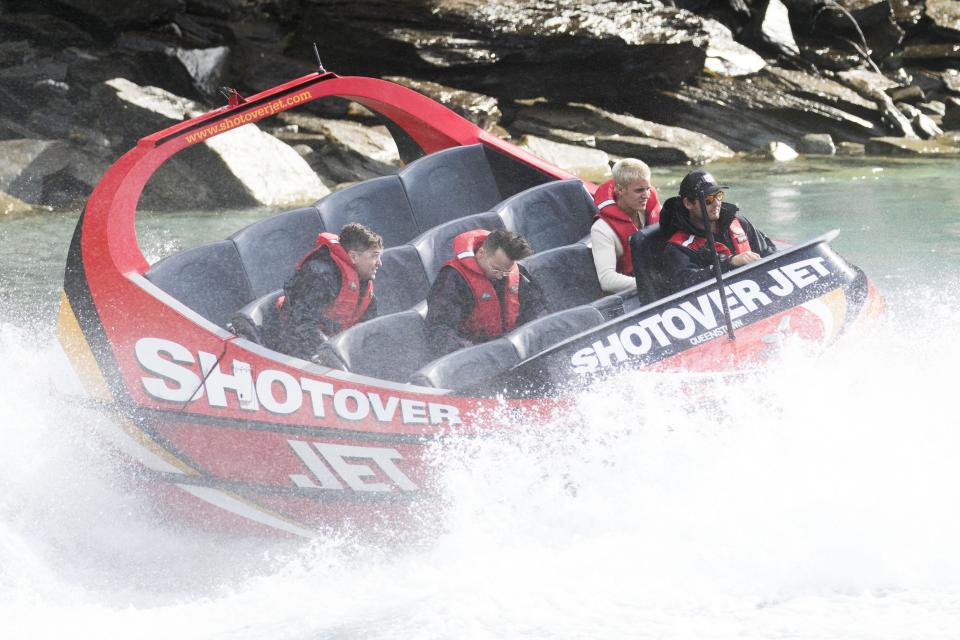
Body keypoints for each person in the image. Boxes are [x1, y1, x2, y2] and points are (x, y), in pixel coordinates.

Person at [425, 228, 547, 358]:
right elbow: (439, 329)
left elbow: (537, 309)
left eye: (506, 272)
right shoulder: (452, 278)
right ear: (481, 253)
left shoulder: (513, 272)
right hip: (475, 358)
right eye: (496, 269)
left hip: (516, 353)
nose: (501, 276)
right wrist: (474, 355)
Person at [276, 222, 383, 360]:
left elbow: (370, 332)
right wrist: (333, 356)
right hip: (289, 348)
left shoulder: (364, 287)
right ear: (354, 257)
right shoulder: (319, 276)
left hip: (329, 348)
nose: (380, 263)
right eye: (374, 256)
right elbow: (300, 325)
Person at [660, 170, 776, 291]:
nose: (716, 203)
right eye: (708, 200)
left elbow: (770, 253)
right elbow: (686, 284)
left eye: (718, 196)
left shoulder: (738, 223)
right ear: (688, 203)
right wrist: (729, 263)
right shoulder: (678, 248)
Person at [590, 158, 662, 294]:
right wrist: (651, 282)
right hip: (634, 296)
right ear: (620, 190)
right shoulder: (601, 229)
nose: (646, 195)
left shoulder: (652, 209)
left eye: (648, 188)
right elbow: (607, 280)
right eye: (639, 190)